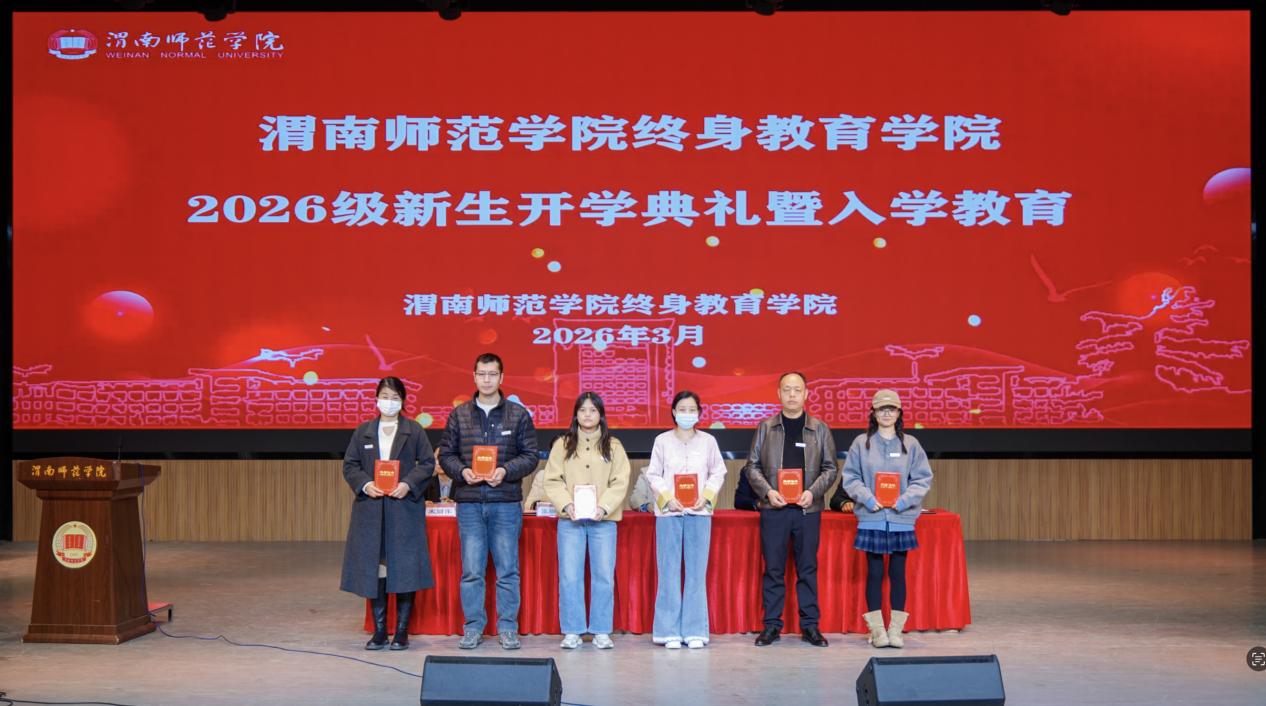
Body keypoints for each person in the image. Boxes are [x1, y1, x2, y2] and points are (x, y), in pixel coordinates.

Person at [438, 353, 540, 651]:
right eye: (481, 374)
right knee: (472, 571)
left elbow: (530, 456)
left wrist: (505, 471)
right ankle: (473, 627)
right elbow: (446, 455)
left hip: (505, 502)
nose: (486, 379)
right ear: (474, 377)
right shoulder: (459, 415)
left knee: (508, 570)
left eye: (492, 374)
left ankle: (508, 627)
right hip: (469, 502)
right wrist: (462, 472)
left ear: (501, 377)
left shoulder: (518, 415)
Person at [743, 371, 838, 648]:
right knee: (773, 569)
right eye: (787, 390)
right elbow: (751, 466)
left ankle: (810, 626)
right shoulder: (765, 427)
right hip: (774, 509)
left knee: (807, 569)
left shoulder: (820, 429)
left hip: (808, 509)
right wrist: (768, 492)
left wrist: (812, 492)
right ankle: (772, 626)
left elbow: (831, 468)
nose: (792, 395)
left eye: (797, 390)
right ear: (779, 394)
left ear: (806, 394)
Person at [339, 376, 435, 651]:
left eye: (395, 397)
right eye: (384, 396)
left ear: (402, 401)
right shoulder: (364, 431)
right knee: (376, 567)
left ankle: (401, 631)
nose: (389, 402)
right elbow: (350, 465)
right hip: (371, 509)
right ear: (376, 399)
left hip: (403, 508)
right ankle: (380, 630)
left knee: (404, 567)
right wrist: (365, 484)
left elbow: (427, 463)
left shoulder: (414, 430)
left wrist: (407, 484)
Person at [840, 389, 933, 649]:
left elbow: (923, 479)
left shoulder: (911, 444)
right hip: (871, 517)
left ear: (899, 413)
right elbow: (850, 477)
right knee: (874, 573)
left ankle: (895, 631)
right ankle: (877, 631)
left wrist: (902, 501)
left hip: (902, 518)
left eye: (892, 409)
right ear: (873, 413)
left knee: (898, 573)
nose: (887, 413)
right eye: (882, 409)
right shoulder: (861, 443)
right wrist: (869, 500)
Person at [542, 392, 631, 650]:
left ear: (600, 414)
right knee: (570, 576)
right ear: (576, 415)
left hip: (603, 521)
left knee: (603, 576)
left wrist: (604, 507)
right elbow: (552, 480)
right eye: (582, 410)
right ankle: (573, 630)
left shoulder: (613, 446)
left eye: (593, 410)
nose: (588, 415)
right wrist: (566, 504)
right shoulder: (563, 445)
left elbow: (620, 480)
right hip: (570, 521)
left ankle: (601, 630)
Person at [643, 390, 726, 649]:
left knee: (696, 574)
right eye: (682, 409)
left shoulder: (709, 441)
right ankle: (667, 631)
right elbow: (653, 474)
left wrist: (707, 495)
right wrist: (667, 498)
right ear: (673, 412)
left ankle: (695, 631)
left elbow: (718, 471)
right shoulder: (662, 441)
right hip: (669, 514)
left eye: (692, 410)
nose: (687, 414)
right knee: (668, 572)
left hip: (699, 514)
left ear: (699, 413)